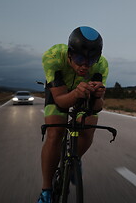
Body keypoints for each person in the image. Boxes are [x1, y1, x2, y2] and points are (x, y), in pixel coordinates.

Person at [37, 26, 108, 203]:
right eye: (79, 59)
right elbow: (60, 100)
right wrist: (76, 93)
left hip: (84, 92)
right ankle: (46, 191)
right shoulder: (53, 56)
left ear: (97, 57)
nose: (84, 66)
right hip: (59, 91)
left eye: (91, 60)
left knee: (87, 129)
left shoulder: (101, 65)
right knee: (55, 133)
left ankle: (74, 159)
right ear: (69, 53)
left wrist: (98, 96)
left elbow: (98, 107)